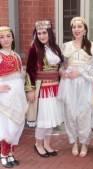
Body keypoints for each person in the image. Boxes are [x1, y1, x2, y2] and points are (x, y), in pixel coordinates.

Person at [58, 17, 93, 157]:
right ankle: (74, 142)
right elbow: (62, 65)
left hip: (84, 83)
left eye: (79, 26)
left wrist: (81, 72)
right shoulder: (66, 46)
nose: (77, 29)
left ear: (85, 29)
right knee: (70, 112)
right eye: (74, 27)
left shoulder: (92, 46)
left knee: (84, 113)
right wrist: (62, 72)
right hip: (69, 83)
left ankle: (84, 143)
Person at [26, 20, 64, 158]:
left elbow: (60, 68)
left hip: (55, 88)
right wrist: (30, 89)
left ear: (50, 33)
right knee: (43, 118)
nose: (42, 36)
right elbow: (29, 70)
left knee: (51, 119)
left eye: (44, 33)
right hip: (42, 89)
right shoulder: (34, 49)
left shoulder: (56, 48)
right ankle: (38, 144)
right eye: (39, 33)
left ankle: (47, 144)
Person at [0, 26, 28, 168]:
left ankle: (10, 153)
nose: (5, 39)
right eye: (1, 37)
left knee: (17, 126)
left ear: (12, 38)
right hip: (5, 97)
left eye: (8, 36)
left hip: (18, 96)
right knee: (7, 127)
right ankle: (3, 154)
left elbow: (21, 76)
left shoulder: (16, 55)